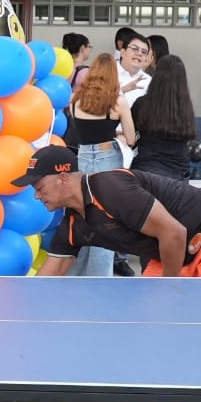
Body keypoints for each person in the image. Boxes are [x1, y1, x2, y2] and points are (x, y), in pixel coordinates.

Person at [19, 145, 201, 402]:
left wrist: (171, 291)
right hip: (173, 249)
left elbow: (174, 232)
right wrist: (17, 316)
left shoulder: (109, 188)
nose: (35, 195)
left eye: (38, 185)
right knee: (145, 329)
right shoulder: (74, 225)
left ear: (62, 177)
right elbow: (50, 275)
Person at [63, 55, 131, 277]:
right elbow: (131, 137)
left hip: (82, 158)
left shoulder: (74, 99)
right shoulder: (118, 102)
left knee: (83, 217)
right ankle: (100, 280)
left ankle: (76, 276)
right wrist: (118, 134)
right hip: (108, 157)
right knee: (107, 220)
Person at [126, 55, 197, 181]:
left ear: (157, 77)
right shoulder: (186, 107)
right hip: (178, 172)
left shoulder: (141, 103)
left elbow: (130, 136)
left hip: (145, 168)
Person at [113, 28, 153, 104]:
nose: (139, 54)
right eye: (135, 49)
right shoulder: (108, 73)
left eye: (144, 52)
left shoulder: (149, 81)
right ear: (122, 52)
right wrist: (122, 90)